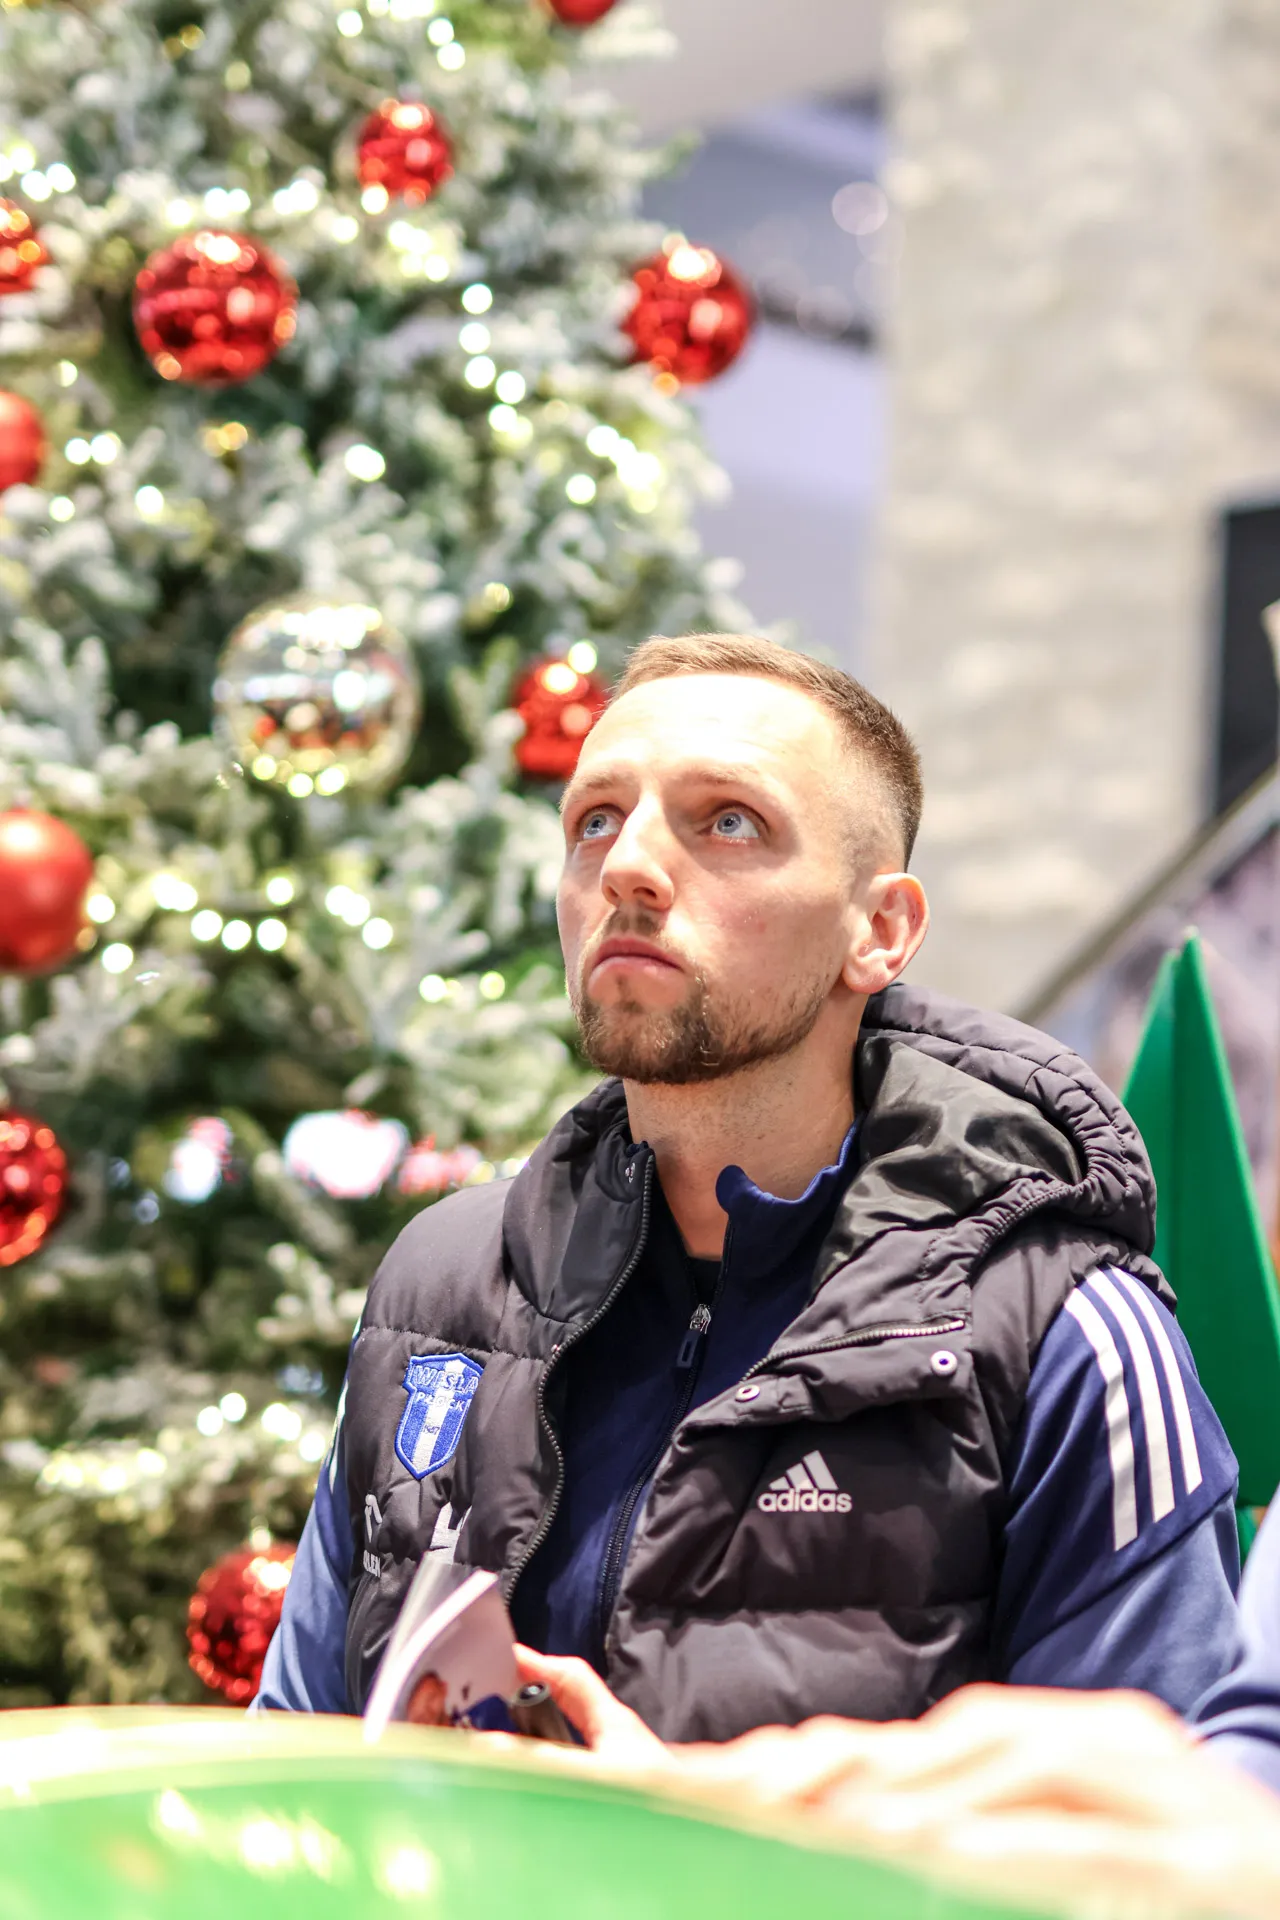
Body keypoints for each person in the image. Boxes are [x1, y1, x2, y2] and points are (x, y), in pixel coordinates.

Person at [257, 632, 1240, 1734]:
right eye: (594, 821)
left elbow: (1156, 1815)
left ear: (879, 930)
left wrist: (690, 1814)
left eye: (728, 822)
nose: (626, 866)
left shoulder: (1058, 1329)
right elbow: (299, 1754)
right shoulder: (437, 1291)